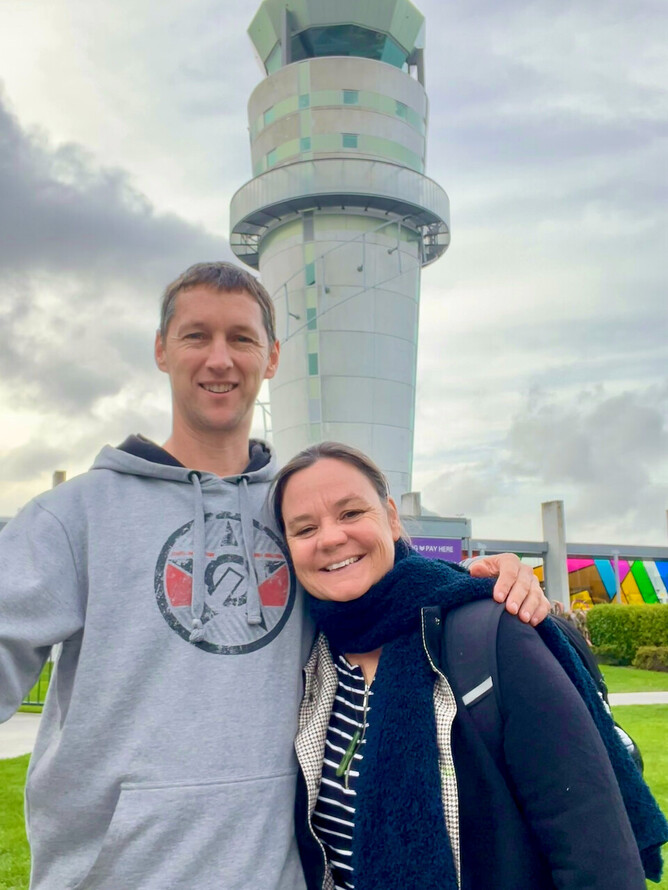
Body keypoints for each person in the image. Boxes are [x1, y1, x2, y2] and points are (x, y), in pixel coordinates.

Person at [0, 262, 549, 890]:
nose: (219, 359)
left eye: (241, 338)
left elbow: (385, 586)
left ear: (273, 357)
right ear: (160, 349)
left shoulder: (294, 513)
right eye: (195, 336)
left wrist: (483, 582)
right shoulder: (74, 517)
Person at [272, 441, 668, 890]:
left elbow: (596, 851)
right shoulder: (309, 656)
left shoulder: (491, 635)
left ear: (391, 516)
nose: (329, 538)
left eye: (350, 513)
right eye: (304, 529)